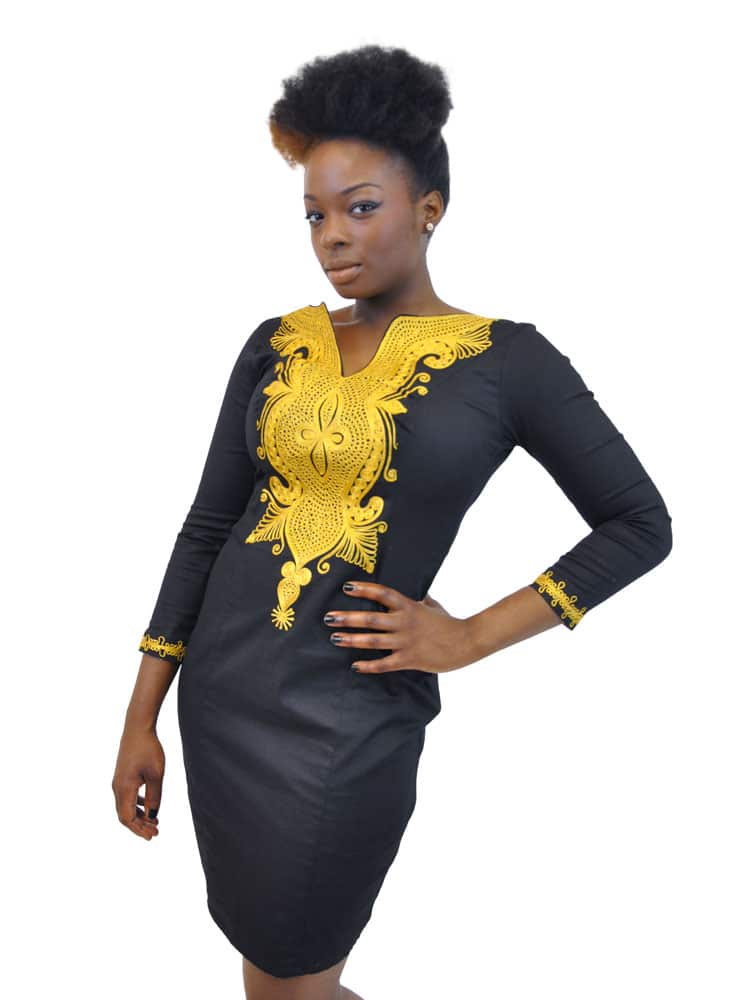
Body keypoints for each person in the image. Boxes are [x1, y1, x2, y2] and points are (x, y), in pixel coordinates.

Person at [112, 43, 673, 1000]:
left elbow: (638, 523)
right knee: (272, 977)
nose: (333, 236)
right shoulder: (276, 343)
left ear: (430, 208)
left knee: (294, 975)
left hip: (349, 718)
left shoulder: (508, 361)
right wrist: (141, 714)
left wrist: (471, 636)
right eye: (315, 214)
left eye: (361, 207)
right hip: (222, 699)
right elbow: (207, 527)